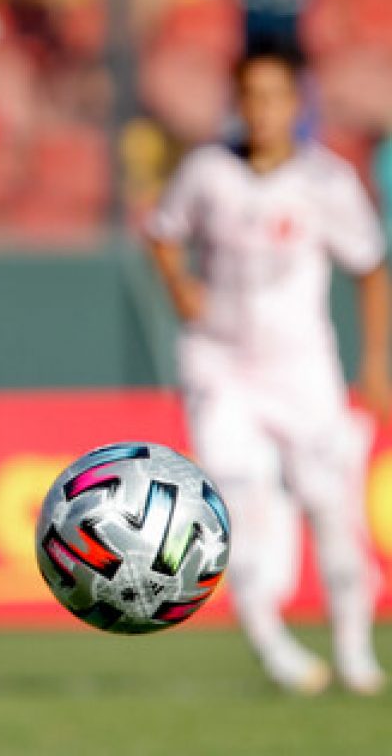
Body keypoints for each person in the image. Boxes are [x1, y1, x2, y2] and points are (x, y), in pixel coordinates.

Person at [145, 45, 390, 696]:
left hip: (302, 365)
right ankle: (273, 645)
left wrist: (377, 359)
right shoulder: (206, 171)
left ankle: (353, 647)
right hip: (222, 362)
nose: (262, 111)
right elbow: (162, 231)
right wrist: (180, 286)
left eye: (276, 96)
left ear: (297, 103)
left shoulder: (326, 182)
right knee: (243, 504)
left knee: (330, 506)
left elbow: (369, 267)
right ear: (237, 102)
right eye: (251, 96)